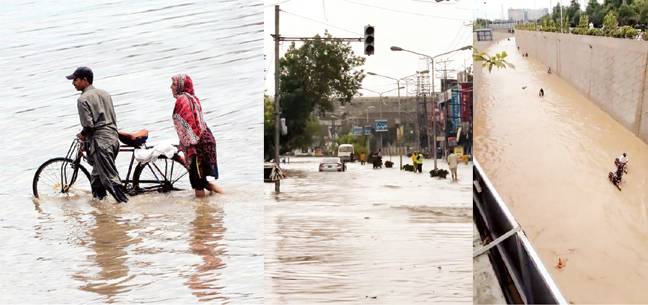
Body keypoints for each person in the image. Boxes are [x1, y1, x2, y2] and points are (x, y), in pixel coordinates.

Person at [67, 67, 128, 203]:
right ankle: (101, 213)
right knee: (96, 179)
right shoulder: (105, 94)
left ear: (85, 80)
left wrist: (82, 135)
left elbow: (88, 126)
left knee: (109, 179)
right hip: (113, 139)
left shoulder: (82, 99)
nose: (73, 83)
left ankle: (125, 206)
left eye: (75, 80)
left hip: (101, 143)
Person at [171, 74, 223, 197]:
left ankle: (202, 214)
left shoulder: (182, 100)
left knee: (198, 184)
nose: (171, 87)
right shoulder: (192, 98)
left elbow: (188, 125)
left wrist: (191, 148)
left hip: (198, 145)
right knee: (202, 182)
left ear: (180, 85)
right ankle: (226, 197)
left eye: (173, 84)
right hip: (205, 140)